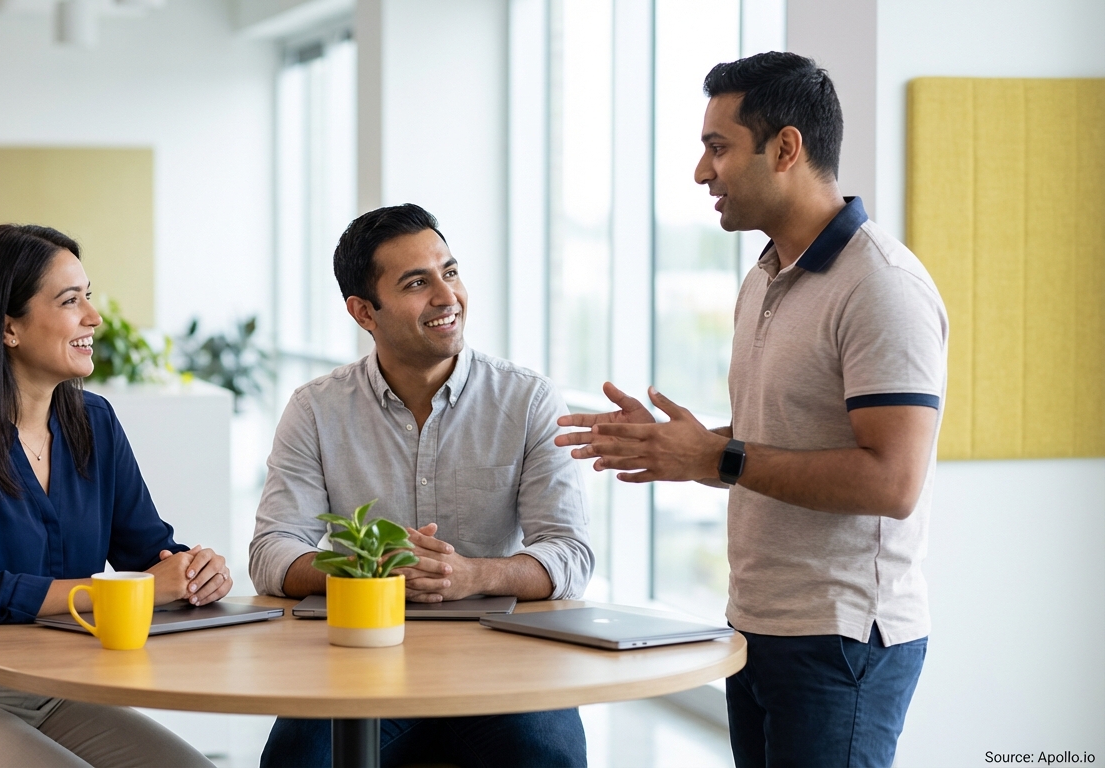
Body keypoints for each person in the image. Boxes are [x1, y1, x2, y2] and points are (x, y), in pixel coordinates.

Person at [557, 52, 947, 768]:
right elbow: (781, 441)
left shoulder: (882, 287)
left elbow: (892, 482)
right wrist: (685, 449)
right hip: (757, 625)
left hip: (842, 641)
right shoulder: (766, 274)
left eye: (717, 147)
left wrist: (718, 458)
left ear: (786, 148)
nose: (701, 172)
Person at [0, 224, 231, 768]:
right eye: (69, 300)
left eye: (88, 295)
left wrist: (195, 571)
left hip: (52, 692)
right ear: (7, 327)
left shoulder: (94, 422)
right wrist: (131, 594)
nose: (93, 316)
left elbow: (147, 552)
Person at [250, 204, 593, 767]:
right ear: (364, 312)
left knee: (547, 758)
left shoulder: (527, 399)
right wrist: (372, 571)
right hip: (362, 663)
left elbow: (570, 553)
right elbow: (273, 551)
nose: (446, 296)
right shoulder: (316, 409)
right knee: (295, 760)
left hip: (500, 666)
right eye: (417, 282)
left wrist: (472, 574)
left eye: (450, 272)